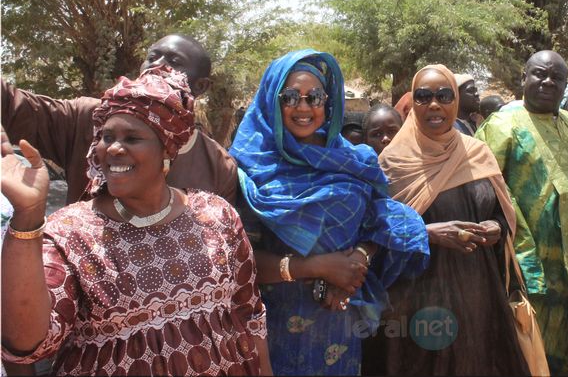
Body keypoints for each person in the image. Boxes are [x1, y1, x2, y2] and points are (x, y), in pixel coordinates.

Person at [0, 66, 270, 375]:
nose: (114, 148)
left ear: (166, 149)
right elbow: (27, 343)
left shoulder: (216, 215)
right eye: (106, 136)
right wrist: (28, 216)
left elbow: (249, 315)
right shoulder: (71, 234)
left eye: (132, 137)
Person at [229, 50, 429, 376]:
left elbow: (384, 217)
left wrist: (360, 258)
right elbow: (236, 258)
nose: (304, 107)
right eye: (290, 97)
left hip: (339, 322)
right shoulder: (249, 164)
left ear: (328, 101)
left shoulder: (352, 158)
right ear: (271, 100)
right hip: (272, 327)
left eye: (315, 97)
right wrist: (314, 266)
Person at [365, 64, 529, 375]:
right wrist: (426, 233)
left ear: (455, 101)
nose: (435, 105)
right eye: (424, 97)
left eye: (444, 95)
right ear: (413, 104)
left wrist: (497, 226)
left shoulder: (478, 153)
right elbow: (374, 229)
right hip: (415, 296)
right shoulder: (392, 164)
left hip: (476, 291)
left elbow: (501, 211)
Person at [476, 50, 568, 375]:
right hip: (540, 273)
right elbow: (488, 193)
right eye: (539, 74)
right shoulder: (501, 126)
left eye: (557, 77)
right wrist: (524, 261)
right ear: (523, 79)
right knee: (543, 357)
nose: (547, 82)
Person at [1, 34, 238, 205]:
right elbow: (13, 106)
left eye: (174, 62)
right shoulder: (88, 118)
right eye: (152, 57)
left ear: (201, 86)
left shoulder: (218, 166)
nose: (157, 65)